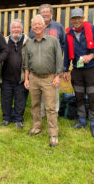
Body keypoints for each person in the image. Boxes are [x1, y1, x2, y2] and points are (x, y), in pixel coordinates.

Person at [63, 8, 94, 138]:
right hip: (77, 69)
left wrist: (92, 55)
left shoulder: (93, 29)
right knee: (79, 95)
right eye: (74, 18)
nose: (76, 20)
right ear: (71, 20)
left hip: (92, 68)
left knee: (93, 95)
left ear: (83, 18)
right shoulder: (69, 34)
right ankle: (82, 120)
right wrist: (65, 69)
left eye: (79, 18)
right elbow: (67, 54)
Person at [24, 15, 62, 147]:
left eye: (39, 24)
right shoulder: (29, 43)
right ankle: (37, 126)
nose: (37, 26)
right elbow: (26, 63)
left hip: (49, 79)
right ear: (32, 27)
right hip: (33, 78)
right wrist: (27, 78)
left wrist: (58, 76)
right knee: (35, 105)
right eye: (34, 24)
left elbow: (59, 59)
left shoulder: (53, 41)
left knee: (50, 107)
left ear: (44, 26)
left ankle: (53, 134)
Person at [29, 4, 65, 117]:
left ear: (51, 13)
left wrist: (60, 69)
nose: (45, 14)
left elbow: (63, 44)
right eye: (42, 12)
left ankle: (54, 114)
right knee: (40, 94)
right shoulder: (34, 28)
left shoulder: (58, 27)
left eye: (47, 12)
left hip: (53, 68)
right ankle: (42, 114)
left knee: (53, 94)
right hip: (39, 68)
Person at [0, 19, 29, 129]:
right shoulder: (4, 41)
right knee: (6, 99)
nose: (16, 29)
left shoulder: (27, 42)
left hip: (20, 78)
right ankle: (6, 118)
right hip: (6, 77)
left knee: (20, 100)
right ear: (10, 29)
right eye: (14, 27)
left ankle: (18, 119)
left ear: (21, 29)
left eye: (18, 27)